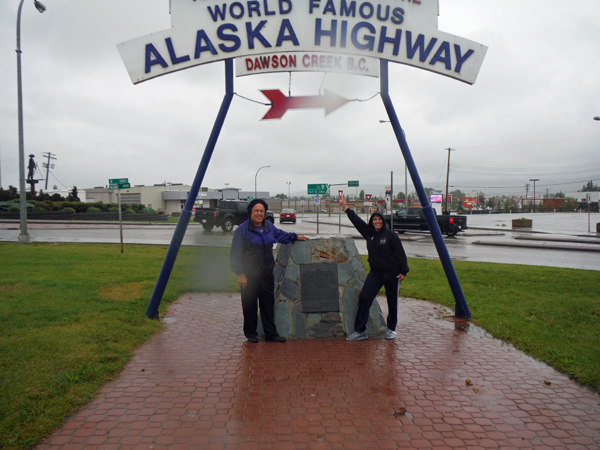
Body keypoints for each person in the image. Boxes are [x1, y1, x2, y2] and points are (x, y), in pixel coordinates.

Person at [230, 199, 309, 343]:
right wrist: (240, 274)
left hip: (266, 275)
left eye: (261, 211)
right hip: (249, 276)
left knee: (267, 305)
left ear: (264, 213)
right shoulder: (242, 230)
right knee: (249, 306)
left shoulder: (269, 227)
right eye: (256, 211)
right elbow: (235, 254)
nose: (259, 214)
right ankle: (251, 334)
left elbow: (281, 235)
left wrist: (295, 237)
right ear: (251, 212)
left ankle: (271, 334)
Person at [340, 198, 409, 341]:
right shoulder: (369, 234)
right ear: (372, 221)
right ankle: (360, 331)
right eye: (374, 219)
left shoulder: (391, 235)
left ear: (383, 221)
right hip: (375, 274)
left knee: (392, 302)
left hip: (392, 274)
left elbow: (400, 253)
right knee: (364, 297)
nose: (377, 222)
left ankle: (391, 329)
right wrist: (346, 208)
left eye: (379, 219)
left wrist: (404, 271)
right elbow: (357, 222)